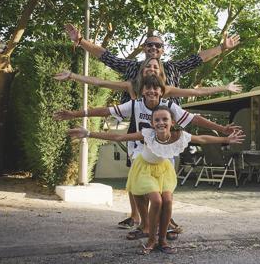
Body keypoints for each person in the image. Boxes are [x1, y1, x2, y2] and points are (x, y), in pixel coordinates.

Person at [53, 75, 241, 236]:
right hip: (139, 149)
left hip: (163, 152)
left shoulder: (170, 107)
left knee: (164, 195)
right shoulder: (134, 104)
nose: (151, 91)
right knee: (140, 190)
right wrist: (75, 115)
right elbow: (105, 111)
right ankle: (145, 224)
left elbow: (195, 121)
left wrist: (222, 130)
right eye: (148, 87)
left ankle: (161, 225)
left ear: (162, 91)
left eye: (155, 88)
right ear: (142, 91)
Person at [67, 105, 245, 255]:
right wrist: (89, 133)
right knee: (156, 200)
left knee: (167, 201)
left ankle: (163, 241)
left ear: (172, 122)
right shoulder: (148, 134)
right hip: (144, 169)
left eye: (164, 119)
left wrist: (225, 139)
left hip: (163, 170)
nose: (161, 123)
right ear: (152, 123)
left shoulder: (179, 136)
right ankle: (151, 240)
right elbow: (119, 137)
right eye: (157, 120)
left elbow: (203, 139)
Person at [64, 24, 240, 104]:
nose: (154, 47)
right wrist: (80, 41)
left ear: (162, 50)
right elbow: (105, 56)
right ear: (144, 48)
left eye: (158, 45)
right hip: (138, 118)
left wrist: (221, 48)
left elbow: (199, 59)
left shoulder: (173, 68)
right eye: (150, 44)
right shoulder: (131, 67)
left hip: (167, 119)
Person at [53, 58, 241, 100]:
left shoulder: (166, 90)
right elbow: (100, 82)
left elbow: (196, 91)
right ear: (142, 70)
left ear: (160, 72)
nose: (151, 68)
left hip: (160, 135)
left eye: (155, 67)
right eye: (148, 66)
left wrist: (224, 87)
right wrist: (73, 76)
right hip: (137, 135)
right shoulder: (131, 86)